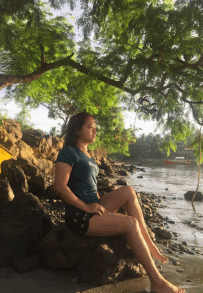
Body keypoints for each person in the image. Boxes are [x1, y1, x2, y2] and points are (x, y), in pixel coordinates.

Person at [54, 112, 185, 293]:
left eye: (95, 127)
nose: (95, 131)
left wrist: (98, 203)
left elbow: (89, 187)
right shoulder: (68, 152)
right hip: (79, 215)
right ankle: (158, 282)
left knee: (128, 191)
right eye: (90, 127)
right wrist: (86, 206)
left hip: (94, 207)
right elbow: (60, 186)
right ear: (77, 130)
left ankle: (148, 242)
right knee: (130, 223)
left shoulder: (88, 156)